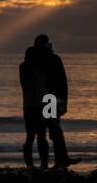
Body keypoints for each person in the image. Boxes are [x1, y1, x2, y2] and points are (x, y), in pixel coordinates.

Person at [19, 34, 73, 169]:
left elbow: (61, 82)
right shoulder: (46, 62)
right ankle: (56, 161)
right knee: (51, 131)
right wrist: (63, 101)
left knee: (41, 134)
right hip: (46, 101)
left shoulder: (38, 63)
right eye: (47, 44)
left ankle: (49, 162)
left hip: (40, 102)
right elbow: (61, 83)